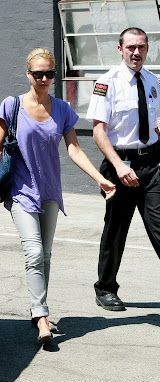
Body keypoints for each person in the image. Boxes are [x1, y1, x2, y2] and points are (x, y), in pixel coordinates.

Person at [86, 27, 160, 321]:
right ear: (120, 49)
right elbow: (98, 130)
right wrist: (117, 165)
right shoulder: (107, 83)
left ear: (147, 49)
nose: (136, 53)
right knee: (116, 229)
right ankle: (105, 288)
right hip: (120, 164)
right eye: (130, 48)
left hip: (150, 165)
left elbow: (154, 124)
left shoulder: (152, 81)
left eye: (141, 47)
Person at [0, 48, 116, 345]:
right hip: (20, 191)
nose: (43, 78)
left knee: (46, 255)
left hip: (50, 191)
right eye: (37, 73)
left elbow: (74, 149)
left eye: (49, 73)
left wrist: (101, 178)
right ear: (28, 74)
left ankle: (38, 309)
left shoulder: (63, 109)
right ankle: (41, 316)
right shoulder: (11, 106)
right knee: (34, 252)